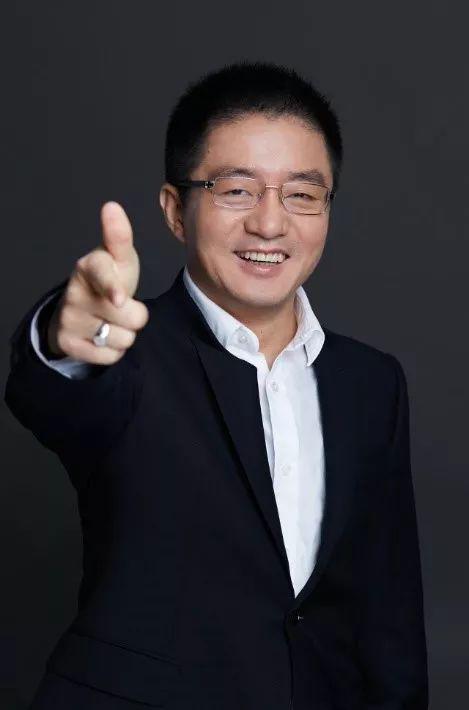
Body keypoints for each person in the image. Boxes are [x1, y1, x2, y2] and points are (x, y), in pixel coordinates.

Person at [4, 61, 429, 709]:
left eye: (301, 194)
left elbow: (387, 608)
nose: (270, 223)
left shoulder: (371, 382)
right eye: (236, 190)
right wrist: (70, 334)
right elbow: (54, 392)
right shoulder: (129, 356)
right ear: (176, 211)